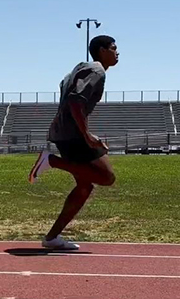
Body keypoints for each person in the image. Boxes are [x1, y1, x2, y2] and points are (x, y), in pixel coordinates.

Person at [27, 35, 119, 250]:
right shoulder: (97, 70)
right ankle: (51, 161)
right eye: (114, 48)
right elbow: (75, 100)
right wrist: (87, 135)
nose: (117, 53)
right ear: (102, 50)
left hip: (64, 132)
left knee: (84, 186)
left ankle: (52, 238)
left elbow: (66, 90)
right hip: (72, 134)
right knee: (106, 177)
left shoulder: (79, 69)